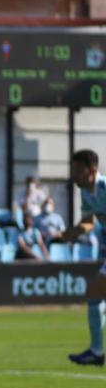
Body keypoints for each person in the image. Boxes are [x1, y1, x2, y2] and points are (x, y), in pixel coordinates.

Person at [64, 150, 106, 366]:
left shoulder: (105, 187)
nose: (75, 175)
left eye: (78, 170)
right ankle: (97, 352)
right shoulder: (87, 193)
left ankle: (97, 352)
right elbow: (89, 221)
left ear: (92, 170)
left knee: (96, 293)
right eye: (74, 170)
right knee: (95, 296)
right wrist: (72, 232)